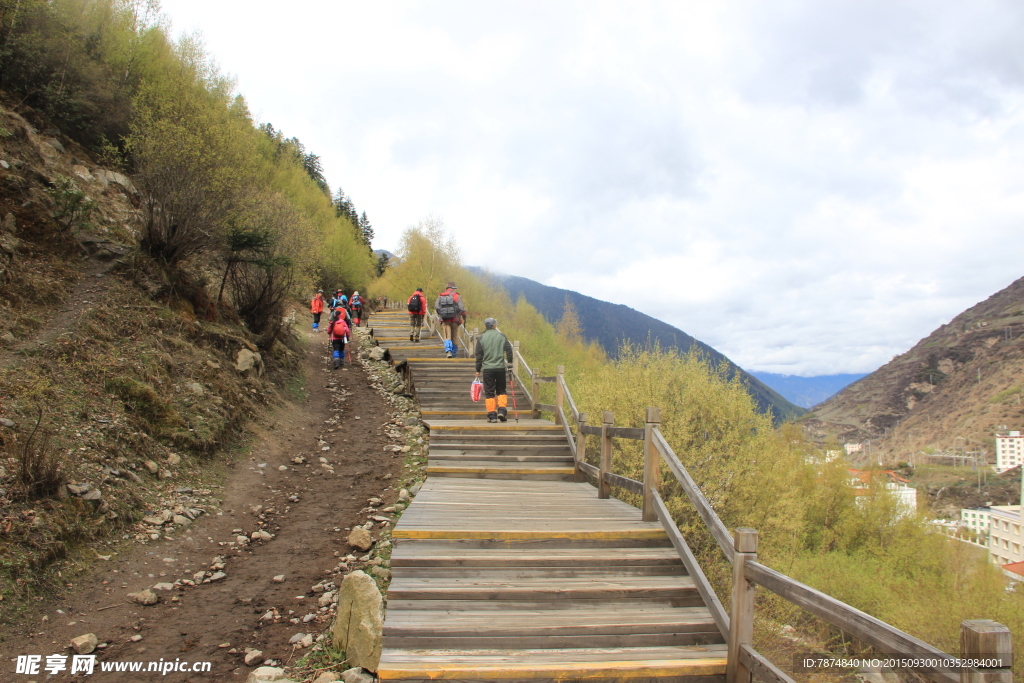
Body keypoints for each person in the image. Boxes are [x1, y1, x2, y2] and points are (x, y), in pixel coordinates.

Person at [475, 317, 513, 422]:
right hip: (500, 368)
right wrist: (510, 363)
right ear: (494, 326)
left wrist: (478, 370)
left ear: (485, 326)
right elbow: (509, 351)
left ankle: (492, 415)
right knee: (501, 390)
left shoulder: (481, 338)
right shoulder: (502, 336)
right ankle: (502, 410)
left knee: (489, 391)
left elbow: (479, 356)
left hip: (488, 369)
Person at [435, 281, 466, 358]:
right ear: (453, 288)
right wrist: (463, 316)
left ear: (447, 288)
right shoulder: (457, 296)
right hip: (455, 319)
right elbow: (461, 308)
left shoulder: (440, 296)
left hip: (445, 320)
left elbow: (437, 307)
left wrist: (442, 314)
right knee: (455, 336)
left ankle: (448, 351)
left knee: (447, 335)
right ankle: (454, 353)